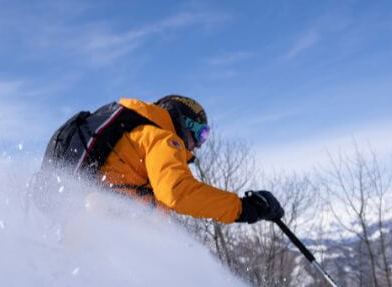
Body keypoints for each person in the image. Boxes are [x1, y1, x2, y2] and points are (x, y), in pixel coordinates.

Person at [47, 95, 284, 226]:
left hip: (89, 218)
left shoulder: (138, 136)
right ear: (184, 123)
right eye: (201, 133)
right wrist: (242, 209)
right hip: (102, 220)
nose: (200, 144)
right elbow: (177, 192)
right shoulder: (163, 139)